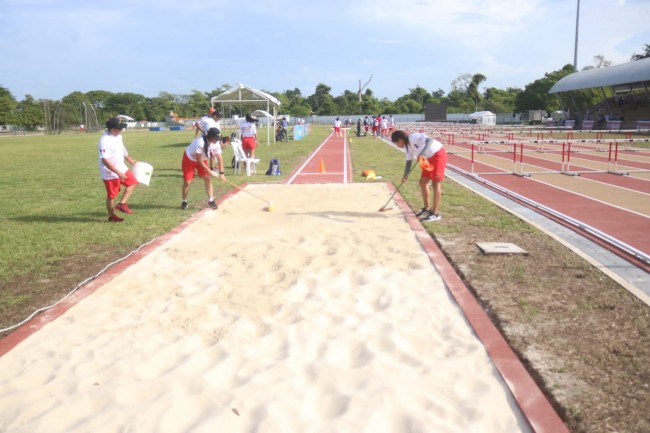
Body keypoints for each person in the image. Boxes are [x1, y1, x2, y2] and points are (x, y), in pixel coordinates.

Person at [391, 130, 447, 222]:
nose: (397, 145)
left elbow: (430, 141)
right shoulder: (407, 148)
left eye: (397, 143)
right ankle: (427, 209)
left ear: (400, 140)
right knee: (423, 182)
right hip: (426, 159)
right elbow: (408, 163)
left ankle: (435, 213)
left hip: (438, 154)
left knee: (435, 183)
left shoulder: (413, 137)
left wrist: (422, 154)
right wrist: (405, 176)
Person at [98, 117, 140, 222]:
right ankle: (111, 216)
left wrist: (129, 159)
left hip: (121, 166)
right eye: (120, 128)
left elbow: (122, 148)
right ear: (112, 130)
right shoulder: (105, 141)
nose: (122, 130)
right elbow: (105, 161)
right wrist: (119, 173)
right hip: (110, 171)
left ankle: (121, 204)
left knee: (133, 182)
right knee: (112, 195)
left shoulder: (118, 136)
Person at [181, 127, 226, 210]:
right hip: (189, 158)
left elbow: (219, 158)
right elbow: (198, 159)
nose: (217, 140)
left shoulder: (216, 143)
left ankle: (211, 201)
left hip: (203, 159)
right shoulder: (200, 142)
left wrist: (222, 173)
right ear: (211, 137)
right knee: (187, 182)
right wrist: (209, 170)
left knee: (207, 178)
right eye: (216, 138)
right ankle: (184, 201)